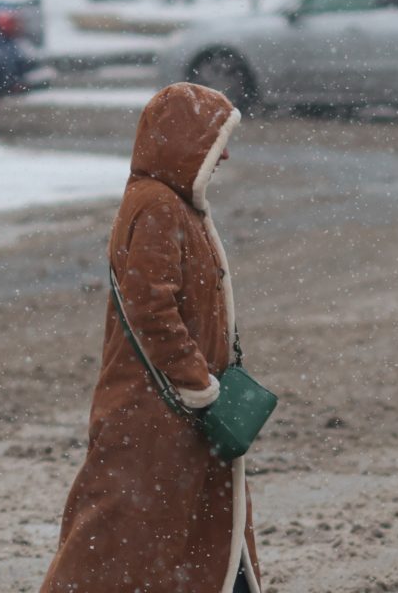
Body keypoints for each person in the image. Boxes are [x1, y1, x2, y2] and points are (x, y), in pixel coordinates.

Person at [41, 83, 262, 593]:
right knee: (116, 543)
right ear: (183, 142)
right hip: (157, 411)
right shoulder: (159, 206)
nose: (225, 155)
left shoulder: (170, 202)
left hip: (168, 413)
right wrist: (196, 383)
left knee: (174, 535)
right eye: (216, 141)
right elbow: (151, 308)